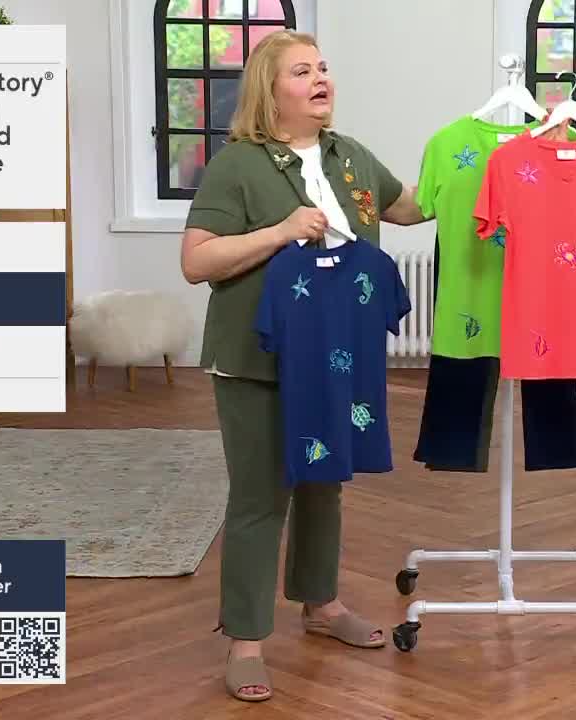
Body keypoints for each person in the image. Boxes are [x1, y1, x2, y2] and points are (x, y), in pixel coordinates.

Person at [179, 30, 428, 703]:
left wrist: (480, 170)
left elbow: (411, 206)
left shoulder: (351, 157)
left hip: (337, 357)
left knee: (325, 483)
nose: (321, 79)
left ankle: (321, 607)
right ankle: (247, 639)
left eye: (323, 68)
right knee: (261, 496)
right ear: (270, 90)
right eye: (302, 71)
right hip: (256, 360)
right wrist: (280, 231)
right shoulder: (238, 165)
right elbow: (198, 261)